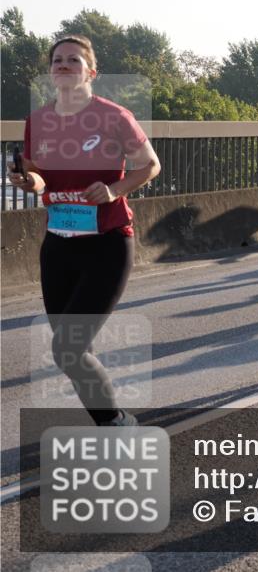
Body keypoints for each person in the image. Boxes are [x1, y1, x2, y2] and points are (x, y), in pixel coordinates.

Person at [8, 35, 161, 426]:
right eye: (57, 60)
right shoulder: (38, 121)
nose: (63, 65)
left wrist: (114, 189)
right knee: (72, 351)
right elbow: (39, 176)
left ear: (90, 72)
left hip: (107, 244)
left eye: (73, 60)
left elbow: (150, 166)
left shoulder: (114, 116)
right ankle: (108, 417)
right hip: (59, 245)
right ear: (50, 71)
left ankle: (116, 424)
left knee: (68, 349)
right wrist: (30, 183)